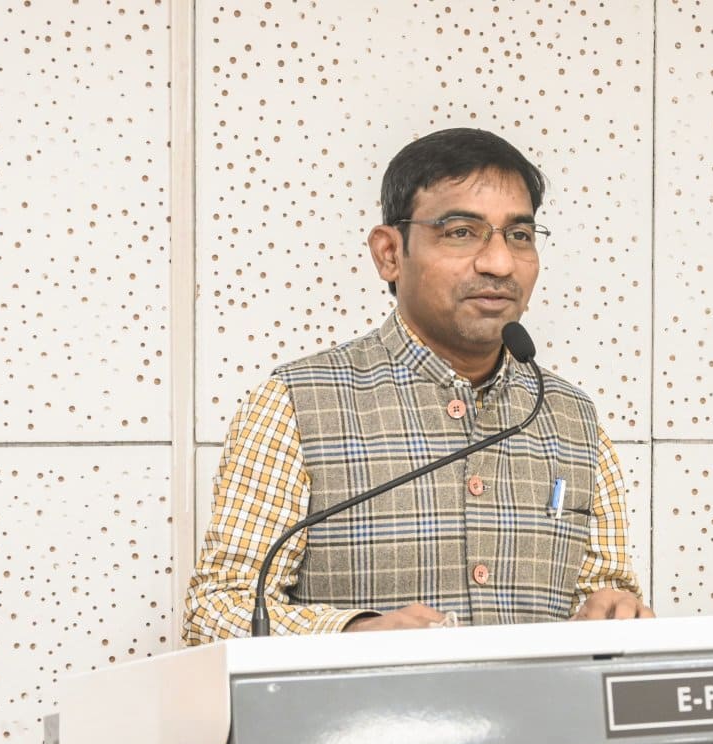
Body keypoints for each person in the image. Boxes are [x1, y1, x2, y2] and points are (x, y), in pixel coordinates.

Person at [184, 127, 652, 642]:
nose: (499, 263)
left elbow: (606, 594)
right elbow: (215, 614)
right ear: (389, 253)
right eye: (461, 232)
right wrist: (355, 633)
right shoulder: (297, 404)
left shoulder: (573, 418)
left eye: (519, 235)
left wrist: (614, 611)